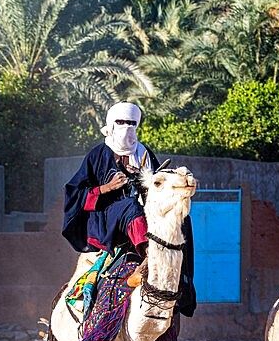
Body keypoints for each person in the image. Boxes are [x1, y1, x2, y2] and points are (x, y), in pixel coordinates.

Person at [62, 101, 196, 318]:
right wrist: (107, 188)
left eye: (132, 123)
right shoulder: (98, 155)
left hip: (143, 214)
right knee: (129, 207)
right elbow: (74, 194)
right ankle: (148, 256)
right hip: (106, 218)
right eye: (121, 122)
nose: (126, 127)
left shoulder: (143, 153)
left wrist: (143, 180)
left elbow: (156, 185)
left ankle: (184, 283)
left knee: (182, 218)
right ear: (111, 124)